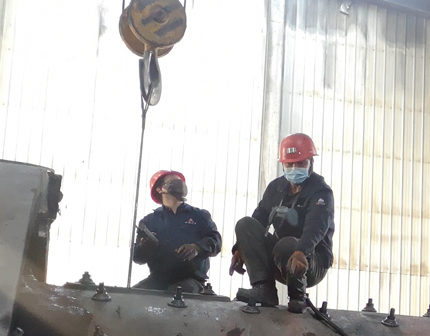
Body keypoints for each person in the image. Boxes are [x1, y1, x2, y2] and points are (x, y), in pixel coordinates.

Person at [230, 134, 334, 313]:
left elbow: (316, 226)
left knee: (287, 245)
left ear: (311, 163)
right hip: (281, 258)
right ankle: (264, 289)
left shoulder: (321, 191)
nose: (294, 168)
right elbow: (258, 219)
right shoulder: (275, 188)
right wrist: (241, 249)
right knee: (245, 224)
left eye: (300, 164)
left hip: (310, 261)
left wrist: (302, 251)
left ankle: (297, 296)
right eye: (289, 164)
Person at [132, 170, 222, 292]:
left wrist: (197, 248)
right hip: (158, 279)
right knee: (132, 295)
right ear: (159, 189)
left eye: (180, 182)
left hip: (191, 280)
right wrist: (145, 247)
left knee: (175, 293)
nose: (179, 184)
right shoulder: (149, 222)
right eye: (173, 181)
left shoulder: (199, 216)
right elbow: (137, 257)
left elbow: (216, 241)